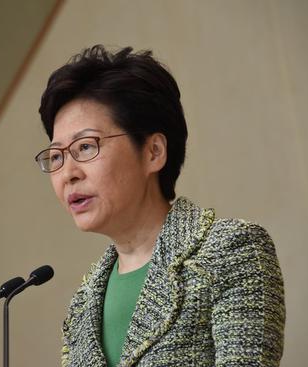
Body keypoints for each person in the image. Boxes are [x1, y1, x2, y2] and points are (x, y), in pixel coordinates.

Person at [34, 45, 285, 367]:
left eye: (85, 146)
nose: (68, 173)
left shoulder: (231, 250)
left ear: (153, 151)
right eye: (56, 156)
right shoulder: (83, 304)